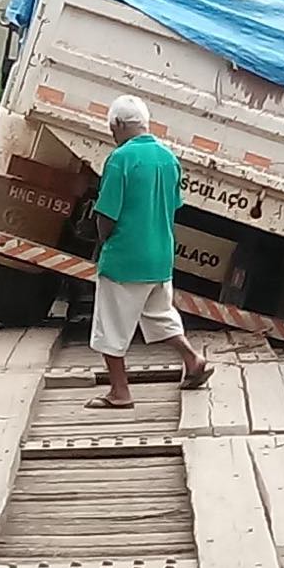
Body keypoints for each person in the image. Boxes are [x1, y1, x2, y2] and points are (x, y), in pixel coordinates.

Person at [87, 95, 213, 409]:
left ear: (117, 125)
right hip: (160, 256)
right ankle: (193, 359)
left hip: (126, 257)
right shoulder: (168, 158)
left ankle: (120, 392)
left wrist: (102, 242)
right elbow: (173, 206)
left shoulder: (121, 159)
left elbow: (107, 214)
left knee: (110, 327)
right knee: (159, 315)